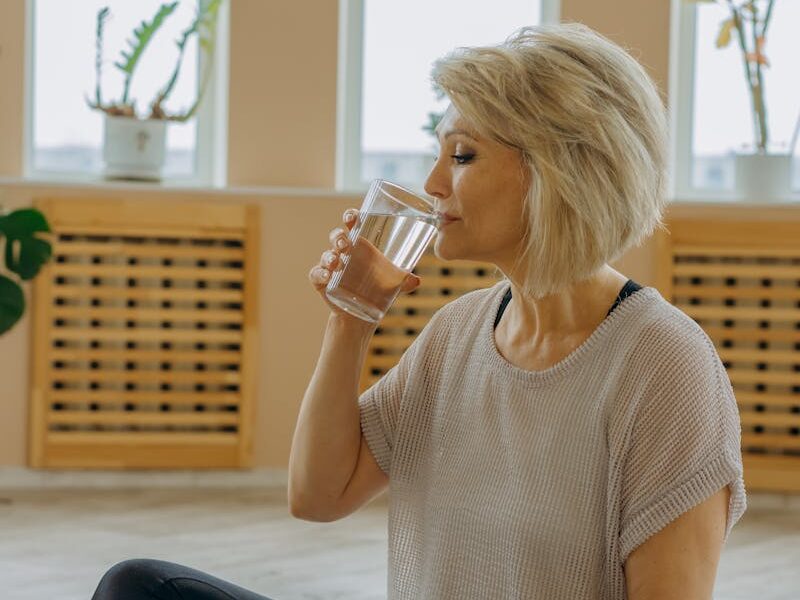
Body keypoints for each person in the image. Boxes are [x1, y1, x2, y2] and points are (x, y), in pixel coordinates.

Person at [90, 23, 746, 600]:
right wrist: (349, 321)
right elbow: (318, 496)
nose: (432, 184)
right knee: (138, 589)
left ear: (558, 168)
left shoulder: (665, 366)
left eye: (461, 155)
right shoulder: (458, 334)